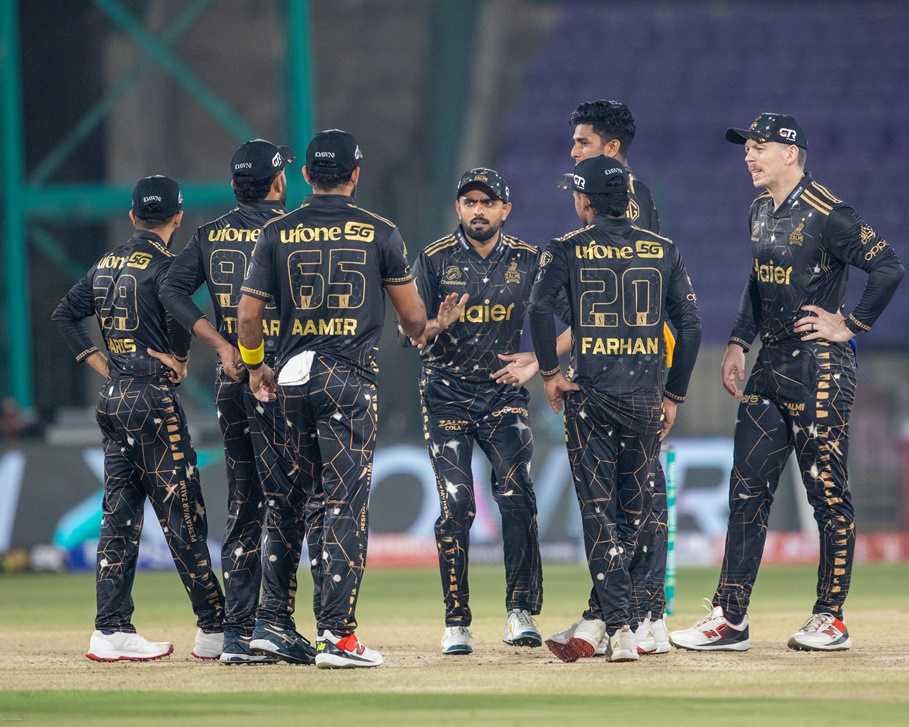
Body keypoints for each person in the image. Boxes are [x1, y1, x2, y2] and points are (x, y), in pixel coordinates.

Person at [670, 113, 904, 652]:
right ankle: (730, 618)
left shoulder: (830, 213)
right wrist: (737, 342)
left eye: (758, 147)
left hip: (819, 366)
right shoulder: (759, 209)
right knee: (746, 490)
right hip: (769, 363)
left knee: (826, 491)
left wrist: (849, 324)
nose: (748, 156)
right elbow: (758, 282)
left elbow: (888, 267)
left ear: (791, 153)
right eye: (746, 148)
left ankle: (831, 617)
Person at [237, 129, 426, 668]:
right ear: (356, 175)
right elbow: (412, 319)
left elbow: (248, 317)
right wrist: (423, 326)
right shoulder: (381, 233)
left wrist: (255, 368)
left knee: (289, 502)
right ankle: (338, 637)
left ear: (304, 177)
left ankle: (272, 623)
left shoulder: (276, 232)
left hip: (290, 378)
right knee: (343, 505)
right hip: (346, 380)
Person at [529, 155, 701, 663]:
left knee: (599, 512)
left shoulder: (566, 248)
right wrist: (675, 395)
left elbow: (539, 309)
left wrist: (548, 374)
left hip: (590, 396)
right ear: (626, 199)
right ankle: (645, 623)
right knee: (640, 510)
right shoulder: (663, 250)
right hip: (646, 398)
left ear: (584, 200)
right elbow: (689, 326)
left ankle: (620, 629)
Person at [52, 176, 224, 661]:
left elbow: (64, 315)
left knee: (119, 514)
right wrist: (178, 357)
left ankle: (110, 630)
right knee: (183, 514)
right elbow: (177, 307)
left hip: (113, 399)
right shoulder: (169, 266)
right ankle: (215, 627)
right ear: (178, 218)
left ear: (132, 217)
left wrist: (104, 364)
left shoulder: (105, 265)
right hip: (151, 398)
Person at [160, 140, 295, 664]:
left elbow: (171, 292)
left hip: (232, 381)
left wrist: (221, 346)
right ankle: (271, 626)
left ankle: (235, 633)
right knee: (287, 502)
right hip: (281, 379)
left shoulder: (210, 234)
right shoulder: (294, 229)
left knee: (244, 502)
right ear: (278, 183)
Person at [402, 168, 544, 655]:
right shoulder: (435, 258)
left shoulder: (530, 260)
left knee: (517, 495)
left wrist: (542, 361)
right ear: (458, 208)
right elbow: (411, 335)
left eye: (488, 202)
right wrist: (435, 325)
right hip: (446, 394)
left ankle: (519, 612)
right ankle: (456, 622)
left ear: (506, 209)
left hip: (503, 395)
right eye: (469, 202)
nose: (478, 210)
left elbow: (570, 320)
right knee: (456, 504)